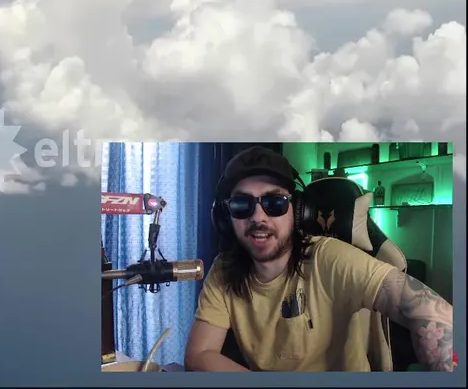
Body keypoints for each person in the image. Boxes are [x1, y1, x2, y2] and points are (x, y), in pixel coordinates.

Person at [184, 146, 456, 372]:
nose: (258, 217)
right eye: (241, 204)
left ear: (298, 211)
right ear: (225, 217)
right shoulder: (224, 270)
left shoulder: (329, 258)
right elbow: (199, 353)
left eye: (274, 203)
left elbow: (432, 312)